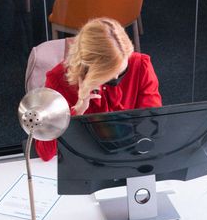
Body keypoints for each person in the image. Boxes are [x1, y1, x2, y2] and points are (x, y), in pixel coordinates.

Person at [35, 17, 162, 161]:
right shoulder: (58, 80)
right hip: (83, 160)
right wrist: (76, 111)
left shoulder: (140, 66)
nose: (116, 78)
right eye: (108, 75)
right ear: (92, 68)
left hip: (129, 158)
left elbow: (152, 127)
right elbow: (45, 153)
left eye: (122, 72)